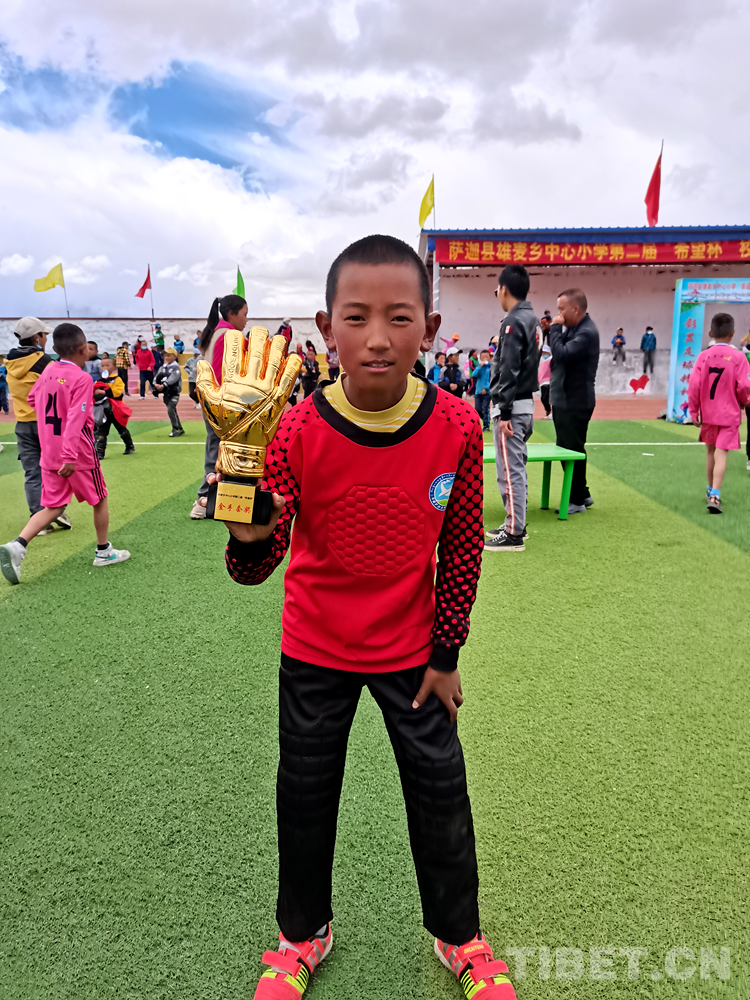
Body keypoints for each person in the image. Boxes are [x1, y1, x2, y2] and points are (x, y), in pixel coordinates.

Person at [204, 233, 516, 1000]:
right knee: (305, 796)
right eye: (357, 317)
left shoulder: (455, 425)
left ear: (429, 329)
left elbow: (463, 548)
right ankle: (301, 935)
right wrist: (247, 530)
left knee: (441, 792)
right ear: (326, 328)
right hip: (315, 648)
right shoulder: (295, 430)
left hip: (414, 653)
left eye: (399, 317)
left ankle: (459, 936)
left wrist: (447, 653)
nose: (378, 337)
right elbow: (254, 567)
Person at [0, 323, 130, 585]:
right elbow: (76, 418)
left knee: (54, 505)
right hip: (77, 453)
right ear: (83, 349)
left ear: (55, 347)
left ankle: (17, 545)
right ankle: (103, 551)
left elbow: (34, 399)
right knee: (100, 498)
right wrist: (70, 455)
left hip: (49, 451)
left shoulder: (49, 370)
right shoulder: (81, 378)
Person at [485, 264, 539, 552]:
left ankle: (514, 533)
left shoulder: (513, 321)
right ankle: (515, 524)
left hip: (512, 408)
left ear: (504, 289)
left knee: (509, 471)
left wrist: (503, 411)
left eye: (497, 288)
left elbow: (509, 367)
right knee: (515, 468)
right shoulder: (532, 319)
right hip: (524, 404)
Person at [6, 317, 71, 531]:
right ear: (37, 337)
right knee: (54, 468)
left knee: (32, 472)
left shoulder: (10, 362)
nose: (46, 339)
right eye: (44, 335)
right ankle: (56, 509)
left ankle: (38, 517)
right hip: (47, 423)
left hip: (22, 424)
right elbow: (61, 388)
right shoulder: (45, 362)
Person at [190, 293, 248, 519]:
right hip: (222, 403)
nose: (246, 319)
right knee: (219, 451)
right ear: (232, 314)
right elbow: (220, 373)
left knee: (217, 449)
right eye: (244, 314)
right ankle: (205, 499)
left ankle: (214, 499)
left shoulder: (216, 333)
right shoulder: (229, 336)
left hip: (214, 401)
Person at [688, 312, 750, 513]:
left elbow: (694, 385)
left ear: (710, 333)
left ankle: (710, 490)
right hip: (729, 414)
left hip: (708, 413)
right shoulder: (739, 357)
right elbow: (744, 386)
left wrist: (693, 410)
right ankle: (715, 494)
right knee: (721, 453)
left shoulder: (703, 357)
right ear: (732, 334)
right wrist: (745, 401)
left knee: (710, 451)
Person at [548, 288, 600, 514]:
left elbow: (561, 354)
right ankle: (583, 493)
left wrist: (554, 329)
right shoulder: (574, 329)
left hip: (575, 400)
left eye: (562, 309)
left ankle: (576, 499)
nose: (558, 314)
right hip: (565, 398)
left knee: (571, 449)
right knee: (570, 447)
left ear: (575, 309)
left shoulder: (586, 332)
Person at [93, 359, 135, 458]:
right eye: (103, 366)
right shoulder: (99, 380)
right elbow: (94, 392)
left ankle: (129, 446)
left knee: (121, 429)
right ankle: (100, 452)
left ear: (114, 367)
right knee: (101, 432)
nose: (105, 367)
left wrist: (104, 392)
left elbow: (117, 392)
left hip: (115, 409)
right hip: (104, 411)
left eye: (107, 365)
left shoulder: (117, 379)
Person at [153, 349, 185, 437]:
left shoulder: (175, 367)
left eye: (169, 355)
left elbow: (173, 378)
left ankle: (175, 429)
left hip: (174, 392)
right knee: (172, 410)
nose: (166, 357)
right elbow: (157, 376)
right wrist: (155, 384)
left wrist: (164, 385)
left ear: (174, 356)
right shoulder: (164, 367)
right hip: (166, 392)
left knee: (171, 409)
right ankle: (179, 428)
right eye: (165, 355)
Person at [472, 348, 491, 431]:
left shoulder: (491, 367)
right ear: (480, 358)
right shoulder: (479, 367)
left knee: (485, 409)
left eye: (486, 357)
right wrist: (480, 366)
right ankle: (485, 420)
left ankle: (486, 425)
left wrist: (486, 389)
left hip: (487, 392)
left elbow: (492, 380)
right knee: (477, 409)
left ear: (489, 357)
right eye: (483, 357)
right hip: (478, 392)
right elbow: (474, 374)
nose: (485, 359)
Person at [538, 343, 552, 418]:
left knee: (546, 397)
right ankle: (548, 412)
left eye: (545, 353)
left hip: (548, 381)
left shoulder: (551, 360)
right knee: (543, 398)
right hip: (542, 382)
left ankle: (549, 412)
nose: (544, 354)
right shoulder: (541, 360)